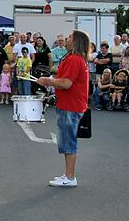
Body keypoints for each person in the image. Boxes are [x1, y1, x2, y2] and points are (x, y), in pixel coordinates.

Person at [37, 30, 91, 188]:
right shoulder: (77, 58)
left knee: (68, 141)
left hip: (71, 105)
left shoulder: (74, 59)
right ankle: (67, 175)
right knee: (67, 141)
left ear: (75, 42)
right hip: (71, 104)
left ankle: (69, 176)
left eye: (69, 38)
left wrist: (48, 80)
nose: (66, 40)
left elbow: (66, 83)